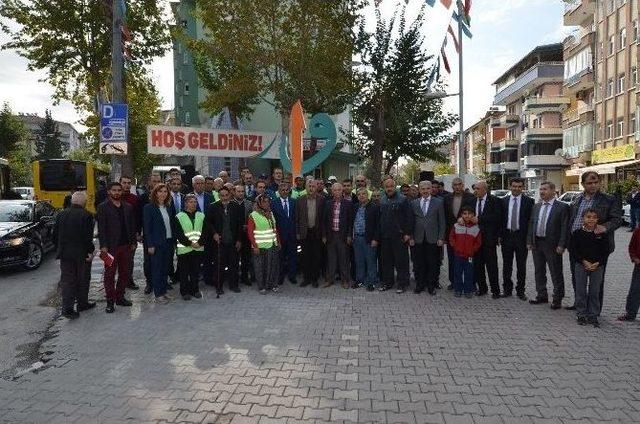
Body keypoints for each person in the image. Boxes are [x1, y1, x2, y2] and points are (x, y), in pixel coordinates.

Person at [567, 171, 621, 310]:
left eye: (596, 182)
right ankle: (580, 305)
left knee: (597, 281)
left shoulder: (608, 199)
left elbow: (617, 220)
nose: (593, 185)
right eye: (589, 183)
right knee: (577, 277)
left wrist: (604, 227)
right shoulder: (577, 199)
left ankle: (594, 310)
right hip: (578, 244)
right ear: (583, 184)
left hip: (598, 245)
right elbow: (572, 219)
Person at [53, 191, 96, 319]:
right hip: (81, 254)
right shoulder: (87, 215)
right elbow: (87, 237)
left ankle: (67, 309)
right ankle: (82, 304)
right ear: (84, 202)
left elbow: (54, 236)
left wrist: (59, 248)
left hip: (65, 254)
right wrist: (90, 252)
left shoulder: (61, 214)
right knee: (83, 279)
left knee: (67, 280)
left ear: (72, 201)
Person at [527, 181, 569, 309]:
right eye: (540, 189)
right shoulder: (537, 206)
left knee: (555, 272)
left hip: (553, 244)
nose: (541, 192)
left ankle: (557, 298)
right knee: (539, 271)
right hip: (537, 243)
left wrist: (562, 245)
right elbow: (531, 224)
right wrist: (529, 241)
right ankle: (542, 295)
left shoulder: (562, 207)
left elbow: (564, 227)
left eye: (544, 189)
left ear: (553, 191)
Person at [96, 182, 137, 313]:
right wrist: (103, 246)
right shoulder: (103, 207)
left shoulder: (128, 207)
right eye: (114, 190)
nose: (117, 192)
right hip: (110, 248)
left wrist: (133, 242)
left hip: (126, 246)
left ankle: (120, 297)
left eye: (119, 190)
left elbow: (132, 226)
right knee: (109, 275)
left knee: (125, 272)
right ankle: (110, 301)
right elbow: (101, 229)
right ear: (109, 192)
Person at [462, 180, 503, 298]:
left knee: (491, 266)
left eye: (478, 189)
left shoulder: (495, 201)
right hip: (474, 238)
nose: (475, 191)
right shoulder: (471, 200)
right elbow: (465, 213)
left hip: (489, 238)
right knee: (478, 265)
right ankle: (482, 288)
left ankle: (495, 291)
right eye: (474, 188)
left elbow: (497, 218)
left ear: (485, 189)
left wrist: (480, 219)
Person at [569, 208, 609, 327]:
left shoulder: (601, 234)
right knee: (580, 289)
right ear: (583, 218)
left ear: (597, 219)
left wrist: (598, 262)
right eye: (588, 217)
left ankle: (593, 315)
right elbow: (573, 250)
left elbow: (606, 250)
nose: (591, 219)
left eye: (593, 217)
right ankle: (581, 313)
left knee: (595, 290)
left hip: (597, 266)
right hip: (581, 265)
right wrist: (583, 261)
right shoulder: (577, 233)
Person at [204, 186, 242, 295]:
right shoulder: (213, 207)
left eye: (226, 195)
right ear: (219, 196)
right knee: (219, 265)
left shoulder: (235, 206)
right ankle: (218, 286)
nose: (224, 198)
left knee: (233, 264)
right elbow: (208, 223)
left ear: (230, 195)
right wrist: (214, 233)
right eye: (222, 195)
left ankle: (233, 285)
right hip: (219, 242)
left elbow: (240, 224)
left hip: (233, 241)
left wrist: (239, 240)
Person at [143, 183, 176, 304]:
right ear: (155, 193)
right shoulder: (148, 208)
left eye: (165, 192)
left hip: (168, 241)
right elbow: (147, 228)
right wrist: (150, 245)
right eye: (160, 191)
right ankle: (158, 294)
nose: (163, 194)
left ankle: (164, 291)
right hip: (156, 244)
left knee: (166, 268)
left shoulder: (169, 207)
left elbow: (172, 224)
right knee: (157, 269)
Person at [410, 181, 445, 295]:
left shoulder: (439, 202)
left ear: (431, 189)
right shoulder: (414, 203)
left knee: (432, 263)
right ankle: (420, 285)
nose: (425, 191)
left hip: (433, 238)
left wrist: (441, 237)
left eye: (427, 189)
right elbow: (411, 222)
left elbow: (442, 222)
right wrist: (411, 237)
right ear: (419, 190)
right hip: (418, 238)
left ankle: (431, 286)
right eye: (423, 189)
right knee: (419, 263)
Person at [500, 178, 533, 300]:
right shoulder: (503, 201)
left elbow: (530, 222)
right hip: (507, 236)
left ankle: (520, 291)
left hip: (521, 237)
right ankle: (507, 290)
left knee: (521, 266)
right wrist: (499, 236)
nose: (517, 189)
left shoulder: (529, 201)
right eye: (514, 186)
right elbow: (500, 220)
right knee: (506, 265)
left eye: (519, 186)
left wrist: (529, 240)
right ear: (510, 187)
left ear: (522, 188)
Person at [379, 177, 413, 293]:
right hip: (385, 236)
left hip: (399, 236)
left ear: (395, 187)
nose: (389, 188)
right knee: (386, 262)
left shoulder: (403, 199)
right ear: (384, 188)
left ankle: (402, 284)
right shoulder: (382, 200)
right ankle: (388, 283)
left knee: (401, 262)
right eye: (387, 187)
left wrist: (407, 233)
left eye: (391, 186)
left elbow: (409, 217)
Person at [443, 178, 475, 290]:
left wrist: (464, 219)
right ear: (452, 186)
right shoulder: (446, 198)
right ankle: (454, 282)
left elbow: (473, 213)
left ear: (463, 185)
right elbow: (445, 218)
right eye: (455, 185)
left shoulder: (470, 197)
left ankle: (469, 283)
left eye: (459, 184)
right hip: (452, 235)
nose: (457, 187)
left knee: (469, 260)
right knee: (452, 259)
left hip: (467, 234)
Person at [321, 182, 353, 288]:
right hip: (331, 236)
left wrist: (349, 235)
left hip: (342, 236)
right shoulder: (328, 203)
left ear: (342, 191)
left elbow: (350, 222)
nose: (337, 192)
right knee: (331, 259)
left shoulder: (348, 204)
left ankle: (345, 281)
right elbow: (324, 221)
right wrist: (324, 235)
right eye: (335, 190)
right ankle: (329, 280)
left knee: (344, 259)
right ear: (332, 191)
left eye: (339, 190)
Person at [247, 194, 281, 293]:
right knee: (260, 267)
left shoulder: (270, 213)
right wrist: (255, 246)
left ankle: (272, 285)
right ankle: (262, 287)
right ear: (259, 203)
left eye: (268, 201)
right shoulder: (253, 215)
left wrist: (278, 241)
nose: (266, 204)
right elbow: (250, 232)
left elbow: (274, 229)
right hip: (260, 247)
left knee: (273, 266)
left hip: (272, 245)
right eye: (264, 202)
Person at [295, 179, 325, 287]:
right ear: (306, 188)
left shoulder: (322, 200)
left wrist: (324, 235)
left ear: (316, 187)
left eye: (313, 186)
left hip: (317, 232)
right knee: (305, 256)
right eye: (309, 186)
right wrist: (297, 232)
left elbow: (324, 219)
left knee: (316, 256)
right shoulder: (300, 200)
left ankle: (314, 279)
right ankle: (306, 278)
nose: (311, 188)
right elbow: (297, 218)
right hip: (304, 232)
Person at [174, 194, 205, 300]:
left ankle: (195, 290)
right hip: (184, 248)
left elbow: (205, 232)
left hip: (198, 248)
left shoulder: (201, 215)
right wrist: (190, 243)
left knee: (195, 271)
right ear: (186, 203)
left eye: (195, 202)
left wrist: (200, 243)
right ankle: (184, 292)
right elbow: (178, 233)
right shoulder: (179, 216)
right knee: (184, 272)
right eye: (191, 202)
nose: (193, 204)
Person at [448, 206, 482, 298]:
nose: (467, 216)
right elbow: (451, 237)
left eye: (470, 214)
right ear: (461, 215)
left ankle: (468, 290)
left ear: (473, 215)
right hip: (458, 254)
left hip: (469, 256)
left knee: (469, 273)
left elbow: (478, 242)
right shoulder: (456, 226)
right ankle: (458, 289)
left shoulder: (476, 228)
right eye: (465, 213)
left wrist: (472, 250)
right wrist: (455, 247)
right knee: (457, 272)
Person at [351, 187, 380, 291]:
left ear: (367, 195)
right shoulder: (355, 207)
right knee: (359, 261)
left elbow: (378, 225)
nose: (361, 196)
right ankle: (359, 280)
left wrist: (375, 239)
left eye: (363, 194)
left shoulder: (374, 207)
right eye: (359, 194)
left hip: (369, 239)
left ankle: (371, 282)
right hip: (357, 238)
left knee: (370, 261)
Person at [139, 173, 162, 294]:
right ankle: (149, 283)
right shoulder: (143, 198)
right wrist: (139, 232)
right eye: (154, 181)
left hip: (162, 235)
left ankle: (161, 281)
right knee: (148, 261)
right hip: (149, 234)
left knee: (163, 259)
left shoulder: (165, 196)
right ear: (149, 182)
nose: (156, 184)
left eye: (158, 181)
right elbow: (139, 217)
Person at [271, 182, 297, 285]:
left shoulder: (294, 202)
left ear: (289, 190)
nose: (285, 192)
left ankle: (292, 276)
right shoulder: (274, 203)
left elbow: (296, 218)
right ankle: (280, 277)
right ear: (279, 191)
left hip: (292, 235)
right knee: (280, 258)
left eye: (287, 190)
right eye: (282, 190)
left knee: (292, 256)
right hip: (280, 235)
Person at [120, 175, 141, 291]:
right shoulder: (112, 197)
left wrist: (138, 232)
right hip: (116, 236)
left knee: (129, 260)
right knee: (116, 261)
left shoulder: (134, 199)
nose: (127, 185)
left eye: (129, 183)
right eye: (124, 183)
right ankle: (119, 281)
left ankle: (129, 280)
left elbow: (137, 217)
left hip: (131, 235)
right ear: (120, 183)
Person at [233, 184, 255, 286]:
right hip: (234, 236)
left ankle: (245, 277)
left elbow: (252, 218)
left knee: (246, 258)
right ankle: (235, 278)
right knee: (235, 259)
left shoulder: (249, 204)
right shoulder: (230, 204)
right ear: (234, 192)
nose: (241, 193)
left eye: (242, 191)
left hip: (246, 235)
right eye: (239, 191)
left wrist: (248, 226)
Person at [617, 226, 640, 322]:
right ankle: (630, 314)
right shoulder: (638, 230)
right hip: (639, 266)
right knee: (634, 290)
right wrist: (634, 257)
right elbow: (632, 246)